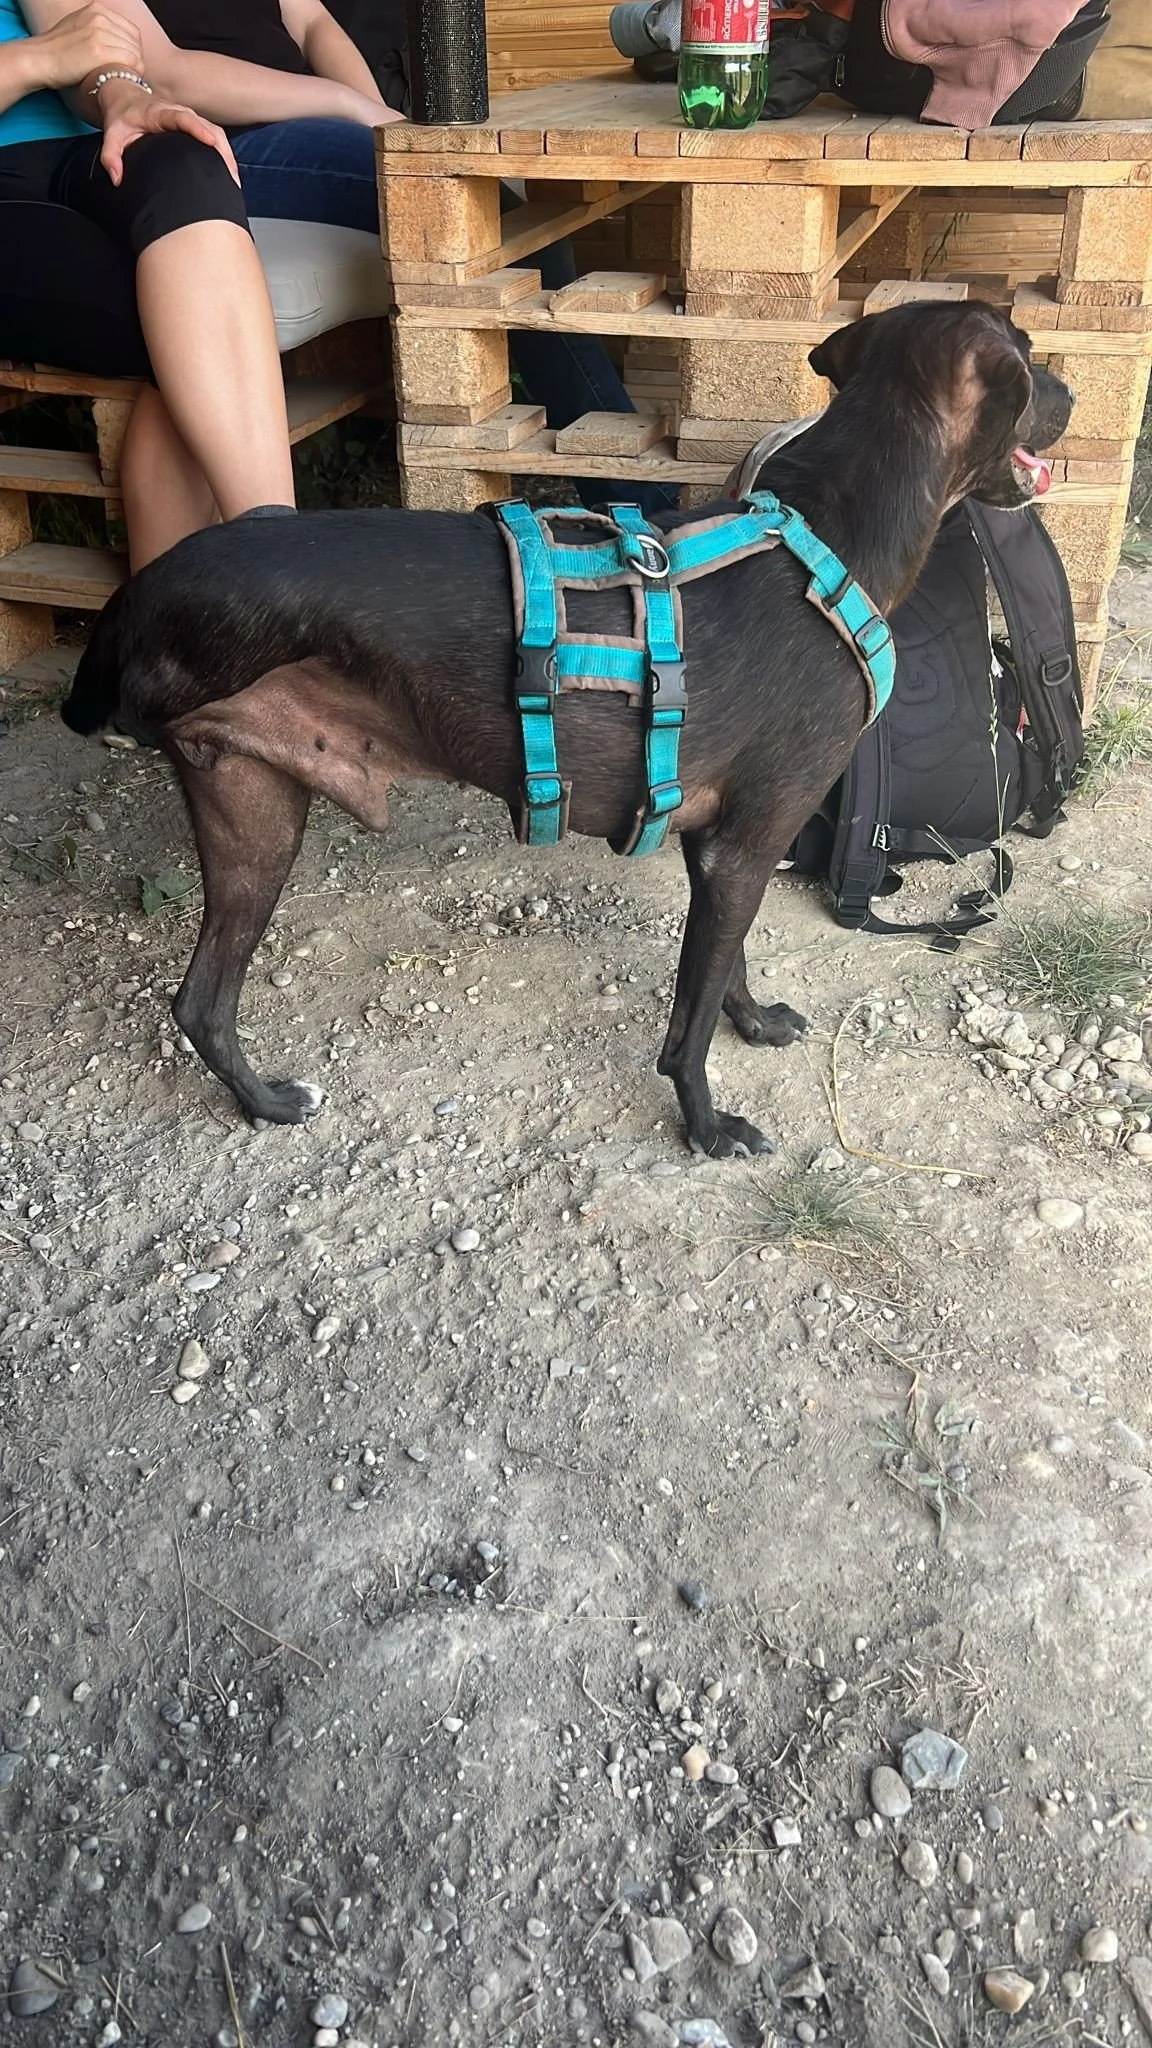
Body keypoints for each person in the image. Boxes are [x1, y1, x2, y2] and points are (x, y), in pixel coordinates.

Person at [23, 0, 677, 513]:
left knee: (507, 212)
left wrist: (382, 120)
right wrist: (343, 106)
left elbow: (311, 22)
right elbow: (160, 69)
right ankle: (641, 509)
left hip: (309, 124)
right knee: (487, 214)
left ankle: (625, 499)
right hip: (218, 141)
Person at [0, 0, 297, 566]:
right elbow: (57, 51)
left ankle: (275, 555)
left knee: (183, 161)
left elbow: (84, 49)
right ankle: (204, 608)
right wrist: (36, 60)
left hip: (80, 150)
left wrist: (123, 96)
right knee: (183, 322)